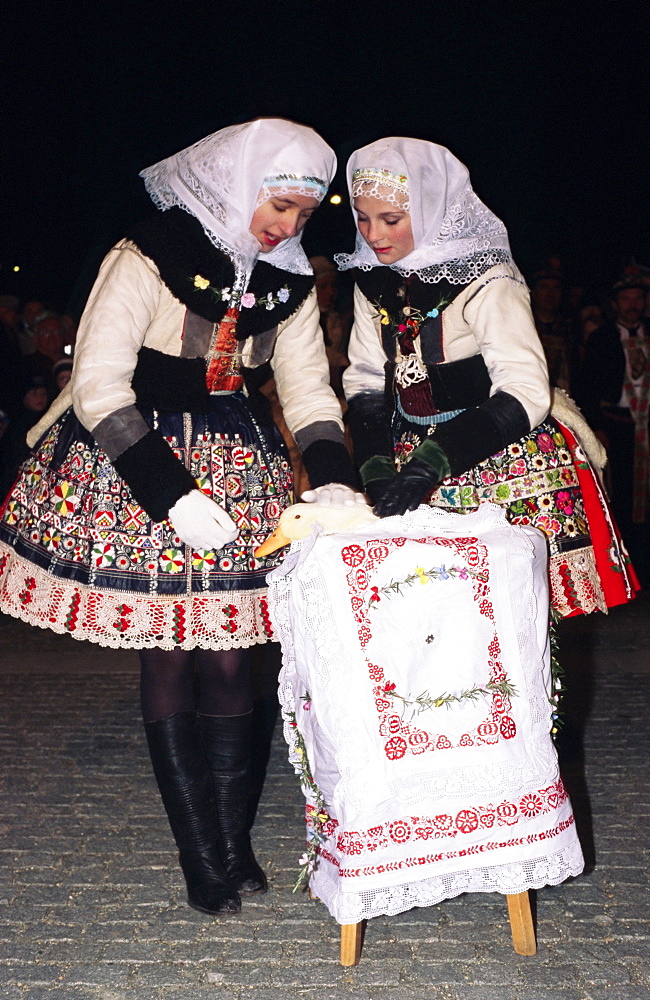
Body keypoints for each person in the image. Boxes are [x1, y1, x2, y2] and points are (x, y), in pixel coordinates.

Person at [0, 119, 358, 916]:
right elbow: (97, 384)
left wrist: (333, 478)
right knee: (171, 656)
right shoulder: (146, 253)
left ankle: (230, 843)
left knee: (235, 658)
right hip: (140, 461)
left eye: (304, 212)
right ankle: (202, 856)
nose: (289, 225)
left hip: (240, 461)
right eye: (279, 204)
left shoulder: (286, 277)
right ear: (238, 181)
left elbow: (304, 391)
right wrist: (169, 493)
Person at [335, 137, 638, 618]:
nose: (373, 234)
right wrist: (374, 468)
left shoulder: (487, 278)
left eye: (391, 220)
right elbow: (367, 379)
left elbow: (524, 387)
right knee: (426, 612)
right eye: (363, 218)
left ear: (432, 208)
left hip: (500, 454)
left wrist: (431, 462)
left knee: (512, 612)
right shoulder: (372, 281)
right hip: (411, 451)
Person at [575, 276, 649, 582]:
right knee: (620, 495)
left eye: (638, 299)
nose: (632, 305)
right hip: (618, 427)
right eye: (626, 299)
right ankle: (626, 570)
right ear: (616, 304)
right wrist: (598, 427)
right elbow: (587, 387)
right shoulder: (602, 338)